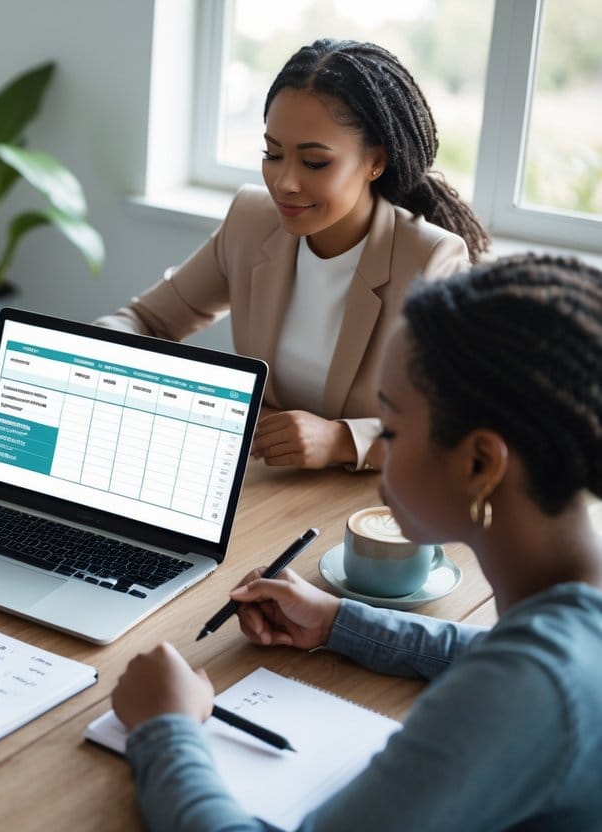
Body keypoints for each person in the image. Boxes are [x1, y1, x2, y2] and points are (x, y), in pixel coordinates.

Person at [110, 253, 602, 830]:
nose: (378, 454)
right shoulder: (567, 620)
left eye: (389, 430)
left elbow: (514, 682)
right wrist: (337, 621)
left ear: (480, 462)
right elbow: (493, 655)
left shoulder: (530, 689)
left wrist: (165, 729)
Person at [97, 39, 489, 471]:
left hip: (368, 501)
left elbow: (458, 426)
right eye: (273, 154)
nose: (284, 182)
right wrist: (86, 360)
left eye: (315, 162)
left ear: (375, 161)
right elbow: (145, 321)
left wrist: (341, 440)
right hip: (265, 481)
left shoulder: (430, 260)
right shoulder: (251, 221)